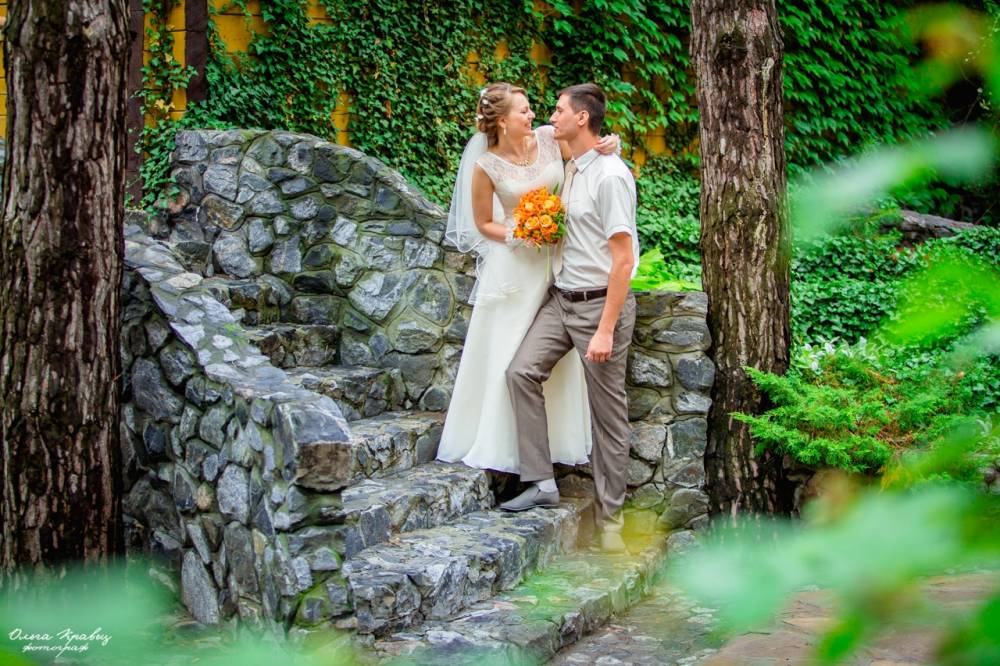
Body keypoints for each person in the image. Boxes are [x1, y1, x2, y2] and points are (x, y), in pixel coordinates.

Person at [437, 83, 619, 475]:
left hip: (558, 266)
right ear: (503, 121)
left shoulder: (551, 139)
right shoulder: (486, 165)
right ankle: (501, 448)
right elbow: (483, 223)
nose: (533, 115)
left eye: (532, 109)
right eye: (524, 111)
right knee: (509, 353)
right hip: (515, 269)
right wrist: (522, 232)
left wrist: (610, 144)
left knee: (552, 361)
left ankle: (552, 446)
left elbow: (586, 158)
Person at [499, 83, 639, 554]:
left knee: (608, 415)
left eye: (559, 110)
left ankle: (611, 522)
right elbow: (519, 131)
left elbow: (624, 260)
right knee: (521, 372)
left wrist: (605, 329)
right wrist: (605, 140)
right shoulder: (572, 160)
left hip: (600, 306)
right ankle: (541, 481)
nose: (551, 116)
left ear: (581, 118)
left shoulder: (610, 176)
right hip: (561, 300)